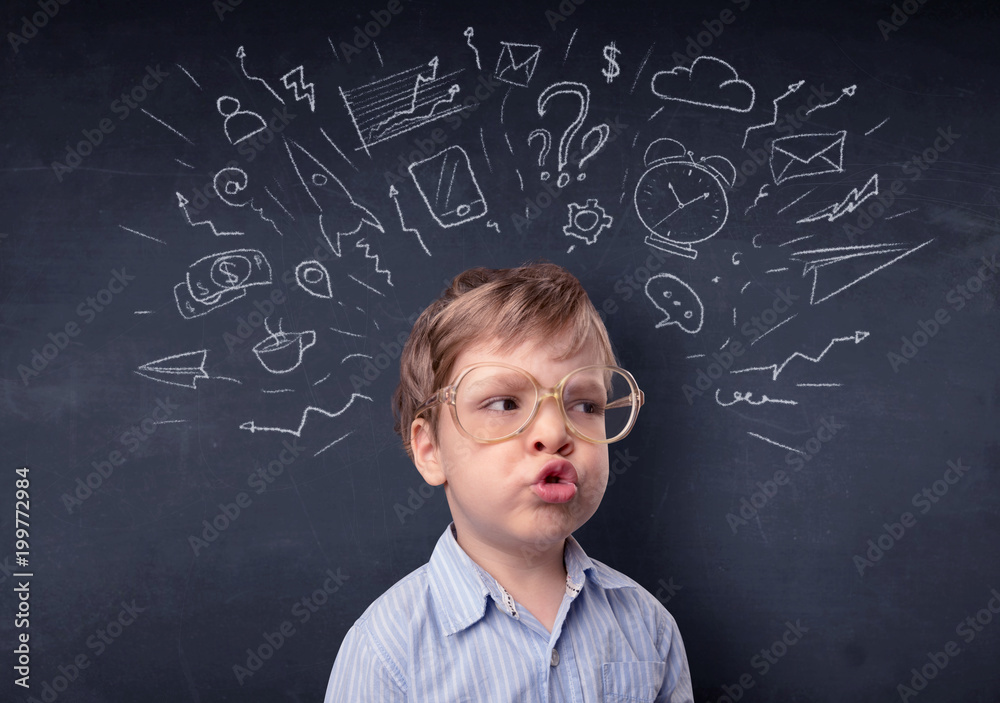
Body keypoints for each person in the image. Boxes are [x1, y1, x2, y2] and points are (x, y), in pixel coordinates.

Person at [324, 262, 693, 702]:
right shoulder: (387, 650)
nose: (555, 433)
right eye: (504, 403)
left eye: (586, 405)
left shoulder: (647, 626)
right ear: (430, 450)